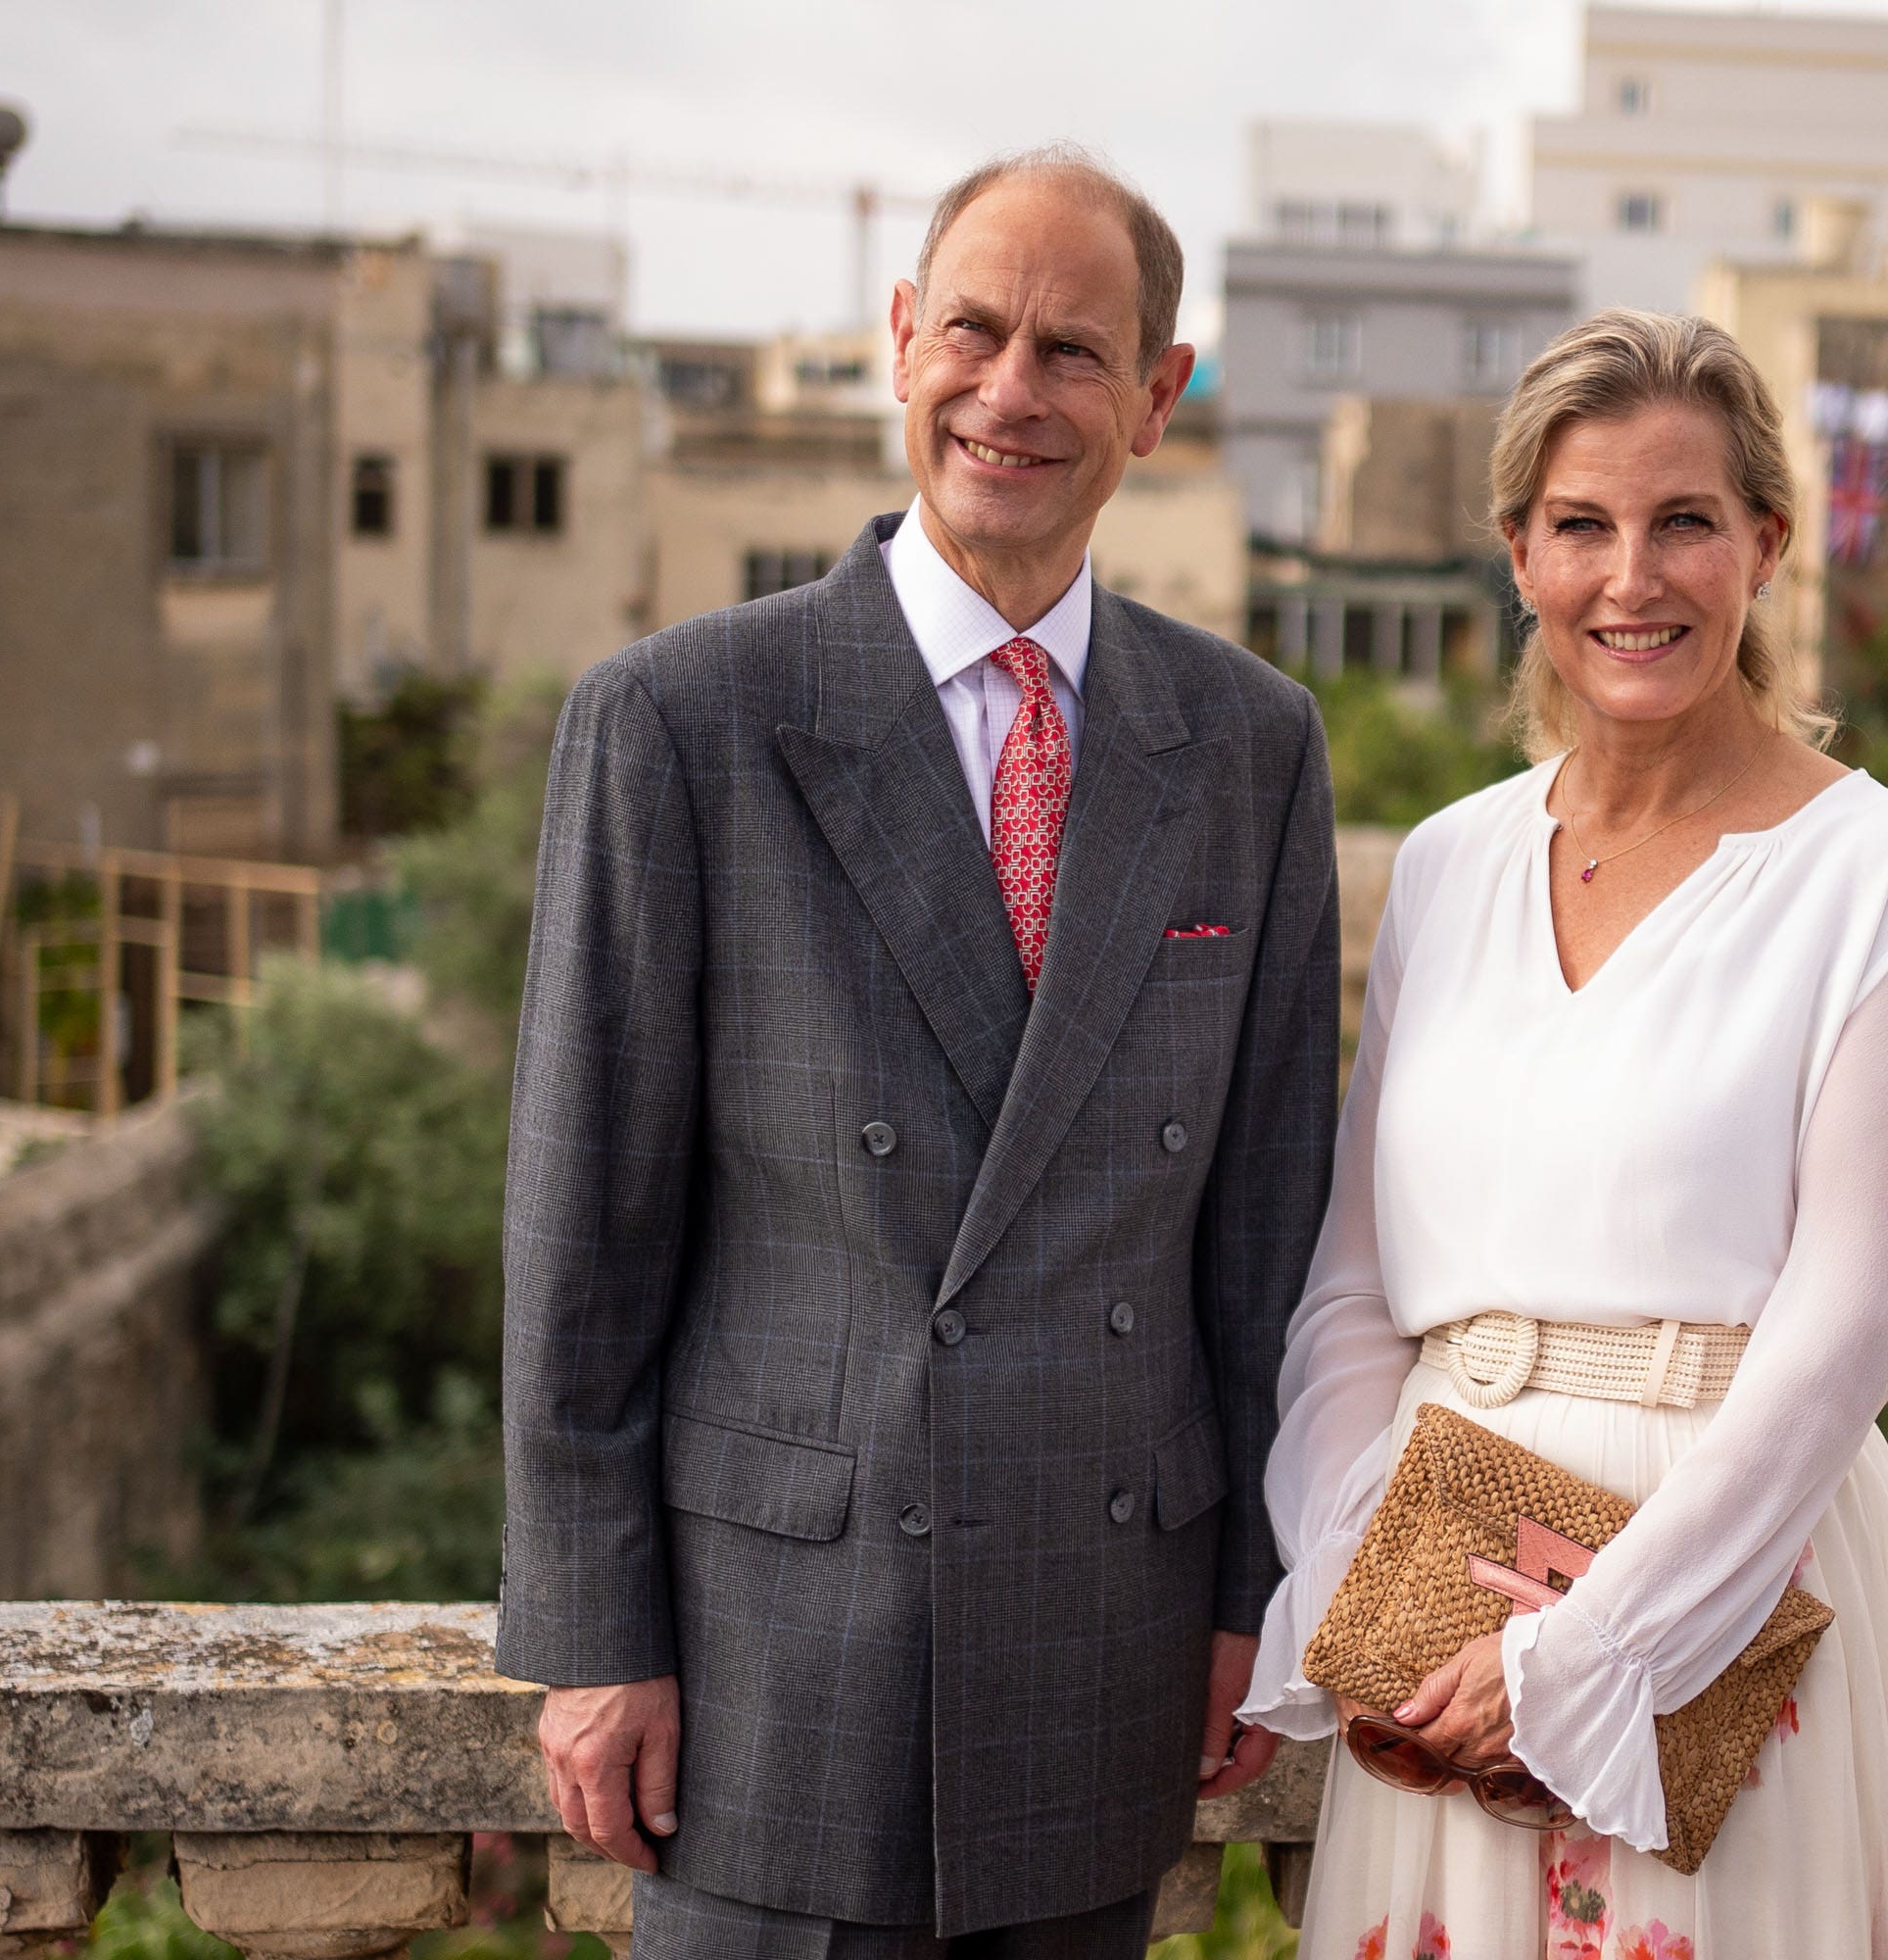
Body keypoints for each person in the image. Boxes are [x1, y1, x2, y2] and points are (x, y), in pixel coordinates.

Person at [494, 144, 1338, 1958]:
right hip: (766, 1662)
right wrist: (590, 1634)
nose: (1010, 391)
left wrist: (1247, 1596)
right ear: (899, 341)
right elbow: (583, 1225)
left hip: (1103, 1633)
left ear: (1159, 399)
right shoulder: (679, 720)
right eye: (973, 328)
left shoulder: (1252, 746)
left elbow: (1268, 1227)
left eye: (1075, 351)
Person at [1237, 309, 1888, 1960]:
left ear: (1766, 545)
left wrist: (1596, 1653)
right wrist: (1363, 1572)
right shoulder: (1444, 864)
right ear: (1519, 552)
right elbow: (1356, 1280)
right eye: (1582, 525)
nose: (1630, 578)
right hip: (1439, 1595)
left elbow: (1849, 1329)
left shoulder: (1877, 876)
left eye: (1685, 522)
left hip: (1723, 1603)